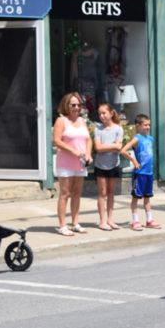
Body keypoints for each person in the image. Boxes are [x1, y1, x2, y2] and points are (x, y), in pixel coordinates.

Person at [53, 92, 93, 236]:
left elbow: (88, 140)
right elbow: (57, 141)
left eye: (78, 105)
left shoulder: (82, 121)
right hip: (65, 162)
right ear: (66, 105)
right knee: (65, 193)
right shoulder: (61, 120)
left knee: (77, 193)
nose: (76, 107)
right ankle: (62, 225)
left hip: (81, 163)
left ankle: (75, 223)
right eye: (73, 105)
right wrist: (74, 151)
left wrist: (88, 154)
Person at [121, 114, 161, 231]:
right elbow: (123, 150)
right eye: (145, 125)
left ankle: (149, 220)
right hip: (140, 173)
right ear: (138, 126)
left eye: (149, 125)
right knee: (136, 197)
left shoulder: (150, 139)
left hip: (149, 173)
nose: (148, 127)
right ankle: (135, 221)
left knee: (147, 197)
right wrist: (133, 160)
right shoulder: (137, 138)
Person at [94, 103, 124, 230]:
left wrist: (107, 147)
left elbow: (119, 147)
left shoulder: (118, 129)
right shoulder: (98, 129)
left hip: (113, 164)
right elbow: (98, 148)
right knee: (102, 192)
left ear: (111, 113)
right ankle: (102, 221)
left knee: (111, 192)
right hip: (100, 165)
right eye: (99, 113)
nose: (101, 116)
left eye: (104, 113)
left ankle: (110, 219)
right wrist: (112, 146)